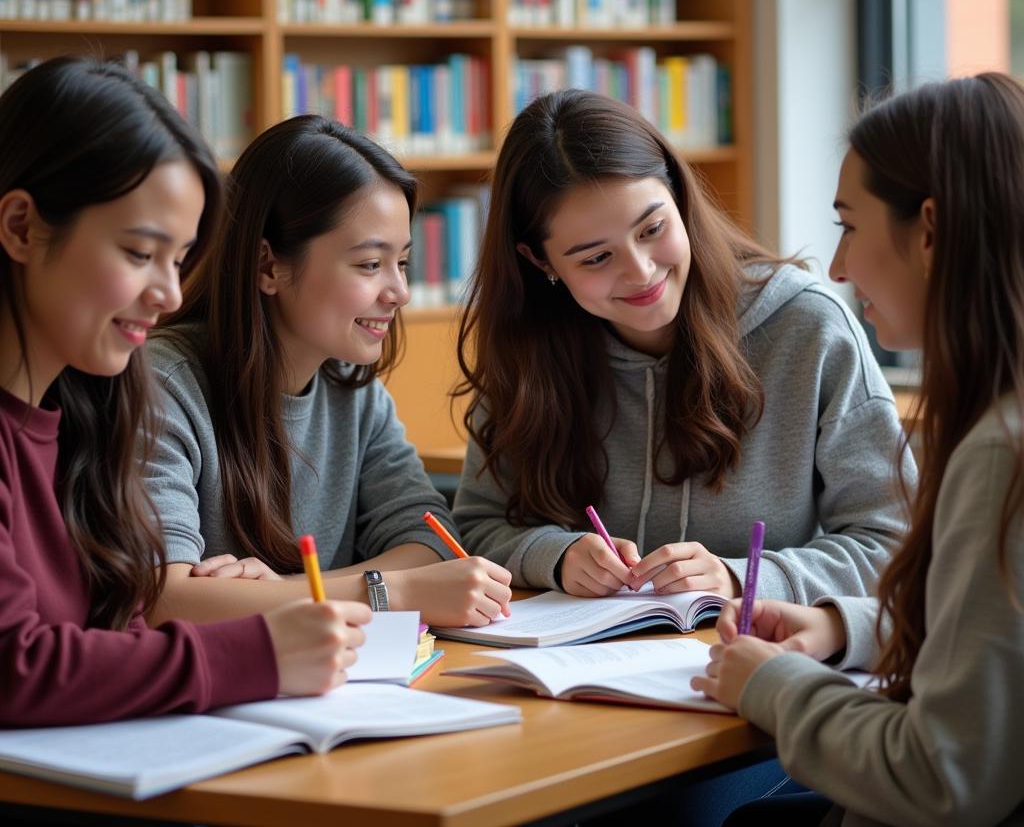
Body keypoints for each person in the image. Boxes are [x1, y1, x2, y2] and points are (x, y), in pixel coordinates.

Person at [694, 72, 1024, 827]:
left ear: (932, 230)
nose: (837, 269)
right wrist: (847, 626)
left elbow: (943, 777)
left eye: (849, 224)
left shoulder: (1003, 453)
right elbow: (1000, 647)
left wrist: (772, 685)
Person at [0, 58, 368, 728]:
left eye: (180, 260)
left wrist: (240, 599)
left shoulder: (97, 406)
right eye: (141, 254)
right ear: (22, 227)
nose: (169, 294)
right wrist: (254, 649)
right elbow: (12, 666)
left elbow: (111, 628)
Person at [453, 89, 910, 605]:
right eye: (596, 259)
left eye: (652, 229)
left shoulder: (809, 329)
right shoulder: (527, 349)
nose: (641, 271)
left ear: (680, 198)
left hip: (752, 661)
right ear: (541, 263)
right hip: (575, 671)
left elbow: (894, 542)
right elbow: (474, 527)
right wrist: (554, 556)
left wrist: (743, 579)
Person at [143, 114, 512, 629]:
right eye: (368, 265)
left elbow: (430, 541)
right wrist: (393, 591)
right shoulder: (161, 385)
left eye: (401, 263)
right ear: (268, 266)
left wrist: (281, 592)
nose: (399, 292)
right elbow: (163, 599)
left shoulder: (354, 390)